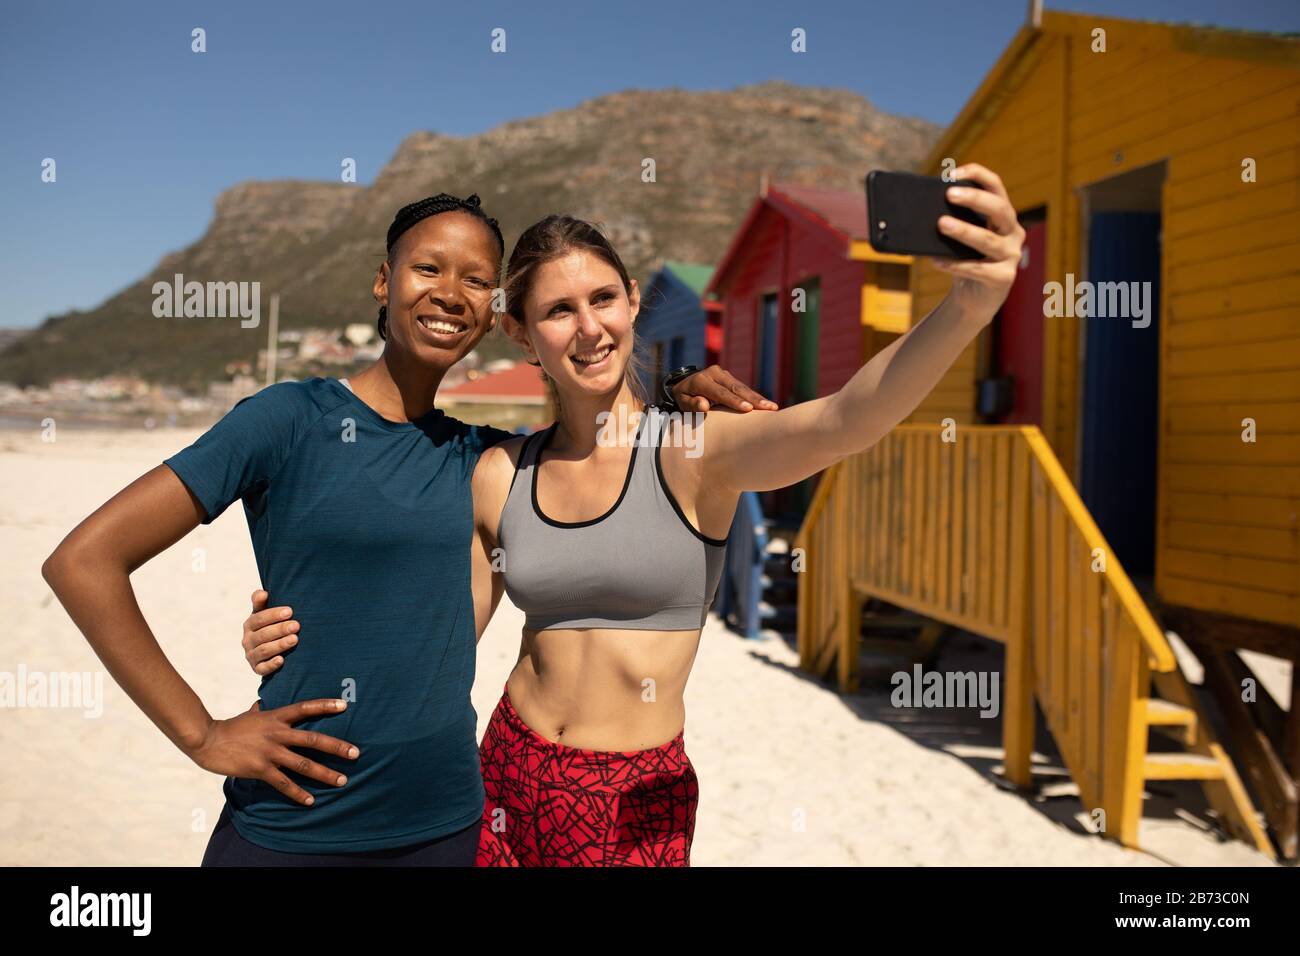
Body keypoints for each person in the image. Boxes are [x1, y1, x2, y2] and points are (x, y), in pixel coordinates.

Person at [249, 162, 1025, 866]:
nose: (588, 327)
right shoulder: (499, 473)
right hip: (505, 776)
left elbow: (846, 420)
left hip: (636, 801)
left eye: (604, 299)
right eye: (558, 310)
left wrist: (971, 304)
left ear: (630, 306)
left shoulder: (697, 453)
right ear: (521, 331)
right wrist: (297, 628)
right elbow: (431, 640)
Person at [40, 191, 770, 867]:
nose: (450, 292)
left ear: (494, 315)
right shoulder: (287, 420)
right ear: (384, 281)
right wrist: (201, 734)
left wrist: (679, 388)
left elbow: (595, 437)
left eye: (476, 280)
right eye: (428, 267)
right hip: (294, 824)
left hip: (450, 828)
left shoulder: (487, 460)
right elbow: (84, 562)